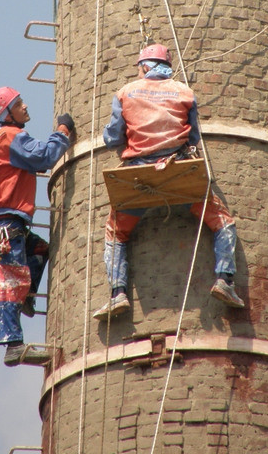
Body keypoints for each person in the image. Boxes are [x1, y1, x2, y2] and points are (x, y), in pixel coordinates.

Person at [93, 44, 244, 321]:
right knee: (222, 222)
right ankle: (225, 280)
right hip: (179, 172)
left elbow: (113, 137)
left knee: (115, 232)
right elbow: (194, 136)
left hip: (138, 177)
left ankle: (118, 294)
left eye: (140, 68)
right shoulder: (184, 92)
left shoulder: (126, 93)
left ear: (145, 67)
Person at [0, 86, 75, 366]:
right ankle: (12, 346)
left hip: (2, 220)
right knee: (10, 281)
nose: (26, 106)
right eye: (19, 104)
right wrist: (63, 132)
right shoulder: (11, 136)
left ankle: (27, 297)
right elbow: (43, 156)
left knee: (39, 250)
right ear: (8, 113)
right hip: (6, 222)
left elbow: (31, 164)